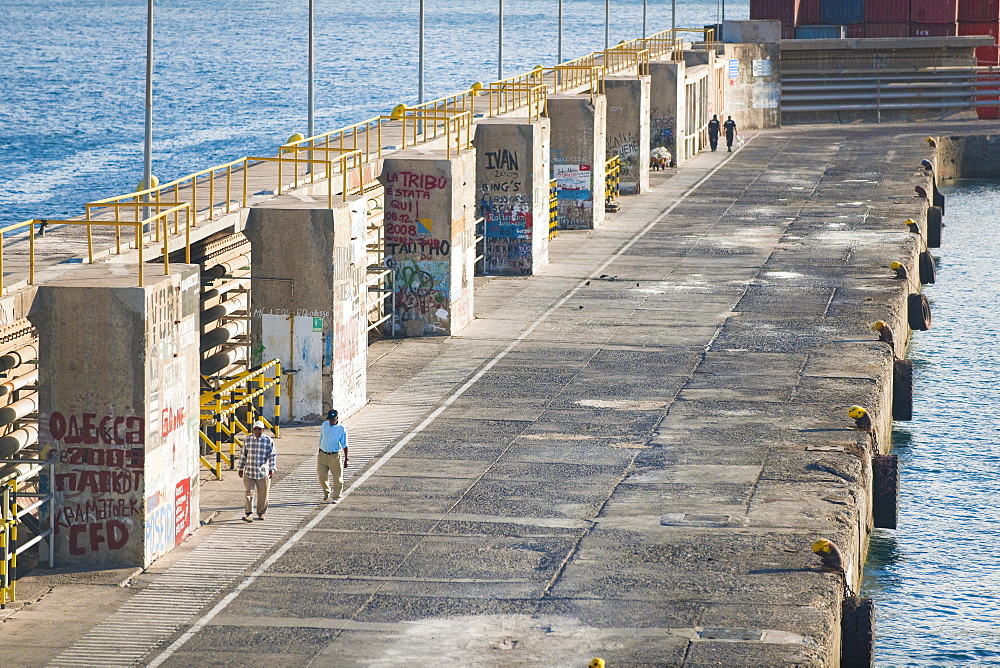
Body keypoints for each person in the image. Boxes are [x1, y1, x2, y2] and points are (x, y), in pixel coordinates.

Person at [238, 420, 276, 522]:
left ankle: (261, 513)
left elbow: (272, 455)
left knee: (263, 494)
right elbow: (243, 455)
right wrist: (241, 468)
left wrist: (272, 469)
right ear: (253, 429)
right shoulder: (248, 440)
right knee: (249, 493)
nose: (258, 431)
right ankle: (248, 514)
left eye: (260, 429)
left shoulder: (268, 440)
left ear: (263, 430)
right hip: (249, 471)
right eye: (256, 429)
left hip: (263, 472)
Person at [318, 409, 349, 503]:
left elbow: (345, 444)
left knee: (337, 478)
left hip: (334, 455)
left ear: (337, 418)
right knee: (322, 475)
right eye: (330, 419)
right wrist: (319, 450)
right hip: (323, 454)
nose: (331, 421)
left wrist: (346, 459)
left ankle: (336, 496)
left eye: (333, 419)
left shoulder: (341, 429)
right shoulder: (324, 425)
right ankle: (326, 492)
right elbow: (321, 438)